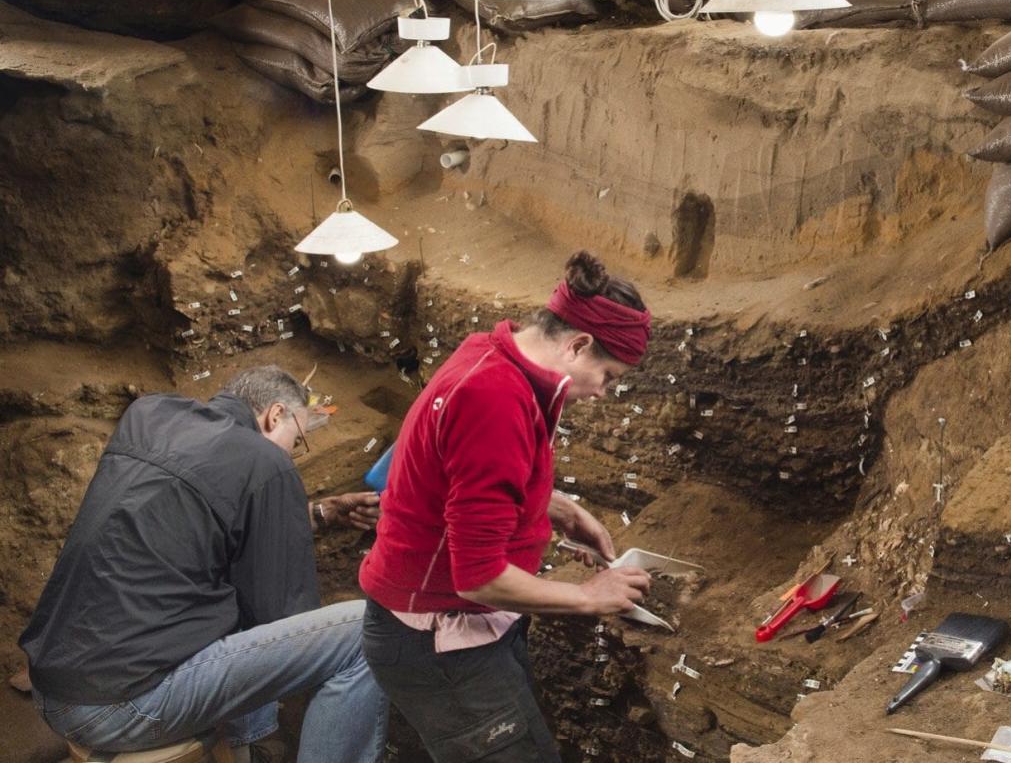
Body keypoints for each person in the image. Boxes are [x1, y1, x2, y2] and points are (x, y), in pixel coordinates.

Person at [359, 251, 653, 762]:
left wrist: (552, 508)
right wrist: (588, 595)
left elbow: (463, 480)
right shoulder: (493, 399)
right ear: (578, 345)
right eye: (608, 376)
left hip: (463, 630)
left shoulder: (495, 354)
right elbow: (478, 576)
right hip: (439, 643)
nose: (604, 393)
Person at [20, 365, 389, 763]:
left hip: (53, 687)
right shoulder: (266, 461)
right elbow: (283, 617)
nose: (292, 454)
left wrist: (318, 512)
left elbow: (206, 525)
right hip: (120, 709)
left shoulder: (149, 416)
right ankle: (259, 744)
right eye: (297, 440)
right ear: (275, 415)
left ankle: (252, 747)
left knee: (228, 589)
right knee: (363, 633)